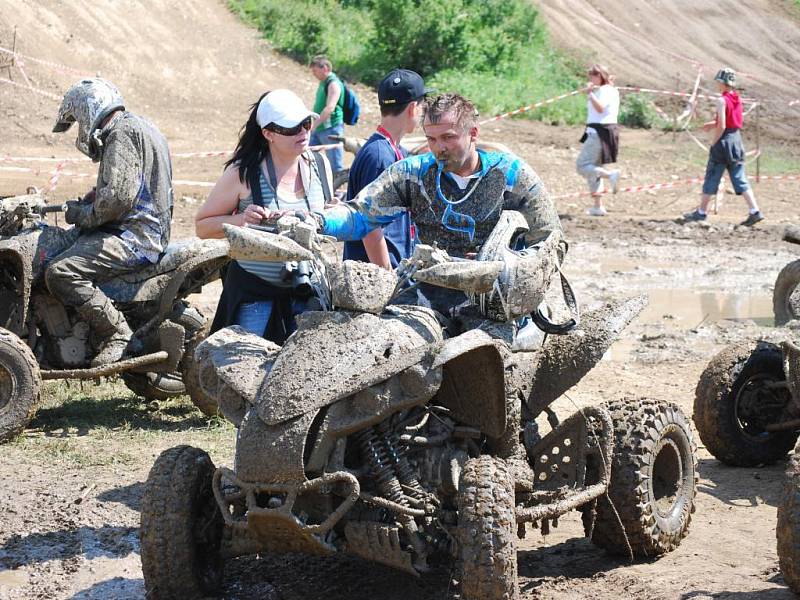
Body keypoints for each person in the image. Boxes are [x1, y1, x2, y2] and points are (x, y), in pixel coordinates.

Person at [317, 93, 561, 315]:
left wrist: (511, 264)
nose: (439, 148)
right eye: (431, 139)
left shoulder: (511, 174)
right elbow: (360, 215)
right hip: (429, 297)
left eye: (448, 138)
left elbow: (551, 239)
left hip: (498, 300)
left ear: (473, 133)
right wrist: (317, 221)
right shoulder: (414, 173)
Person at [46, 78, 173, 366]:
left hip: (135, 237)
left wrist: (81, 215)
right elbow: (128, 185)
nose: (80, 129)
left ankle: (117, 333)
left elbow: (116, 199)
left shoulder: (121, 132)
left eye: (77, 121)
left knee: (61, 272)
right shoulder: (139, 125)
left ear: (90, 109)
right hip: (144, 229)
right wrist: (92, 199)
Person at [195, 89, 334, 343]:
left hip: (309, 294)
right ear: (268, 133)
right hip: (256, 296)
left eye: (306, 123)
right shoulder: (244, 173)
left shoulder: (321, 166)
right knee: (243, 374)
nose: (303, 132)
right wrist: (241, 221)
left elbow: (328, 220)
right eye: (292, 128)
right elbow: (202, 226)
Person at [343, 68, 432, 269]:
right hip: (373, 277)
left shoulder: (391, 150)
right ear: (412, 108)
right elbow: (370, 229)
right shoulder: (380, 156)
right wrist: (387, 276)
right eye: (422, 106)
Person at [682, 68, 763, 226]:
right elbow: (733, 121)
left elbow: (723, 125)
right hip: (736, 141)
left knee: (712, 175)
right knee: (739, 177)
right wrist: (713, 123)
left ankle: (701, 212)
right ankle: (755, 211)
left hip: (724, 142)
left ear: (722, 83)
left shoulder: (721, 100)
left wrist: (714, 142)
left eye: (718, 81)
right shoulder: (737, 98)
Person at [576, 63, 621, 216]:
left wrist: (590, 93)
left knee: (582, 166)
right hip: (602, 131)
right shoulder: (608, 90)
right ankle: (598, 206)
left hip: (599, 132)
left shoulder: (604, 91)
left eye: (593, 76)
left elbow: (600, 108)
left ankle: (611, 175)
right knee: (594, 169)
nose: (591, 79)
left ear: (599, 76)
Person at [309, 55, 345, 174]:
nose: (313, 74)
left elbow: (330, 108)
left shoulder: (333, 84)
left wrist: (313, 126)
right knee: (307, 156)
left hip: (331, 129)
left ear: (324, 68)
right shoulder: (323, 83)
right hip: (320, 128)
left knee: (335, 166)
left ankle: (338, 190)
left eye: (315, 70)